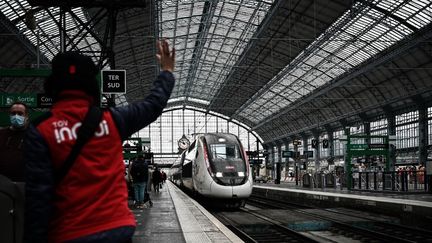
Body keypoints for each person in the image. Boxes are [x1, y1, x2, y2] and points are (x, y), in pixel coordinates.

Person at [24, 39, 175, 243]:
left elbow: (38, 200)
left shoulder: (41, 130)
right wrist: (166, 71)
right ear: (92, 85)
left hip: (70, 233)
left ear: (52, 85)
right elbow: (153, 104)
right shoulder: (112, 120)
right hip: (117, 229)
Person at [0, 101, 30, 182]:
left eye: (20, 114)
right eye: (13, 113)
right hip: (2, 184)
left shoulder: (33, 136)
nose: (16, 116)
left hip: (23, 183)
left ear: (26, 116)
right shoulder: (1, 134)